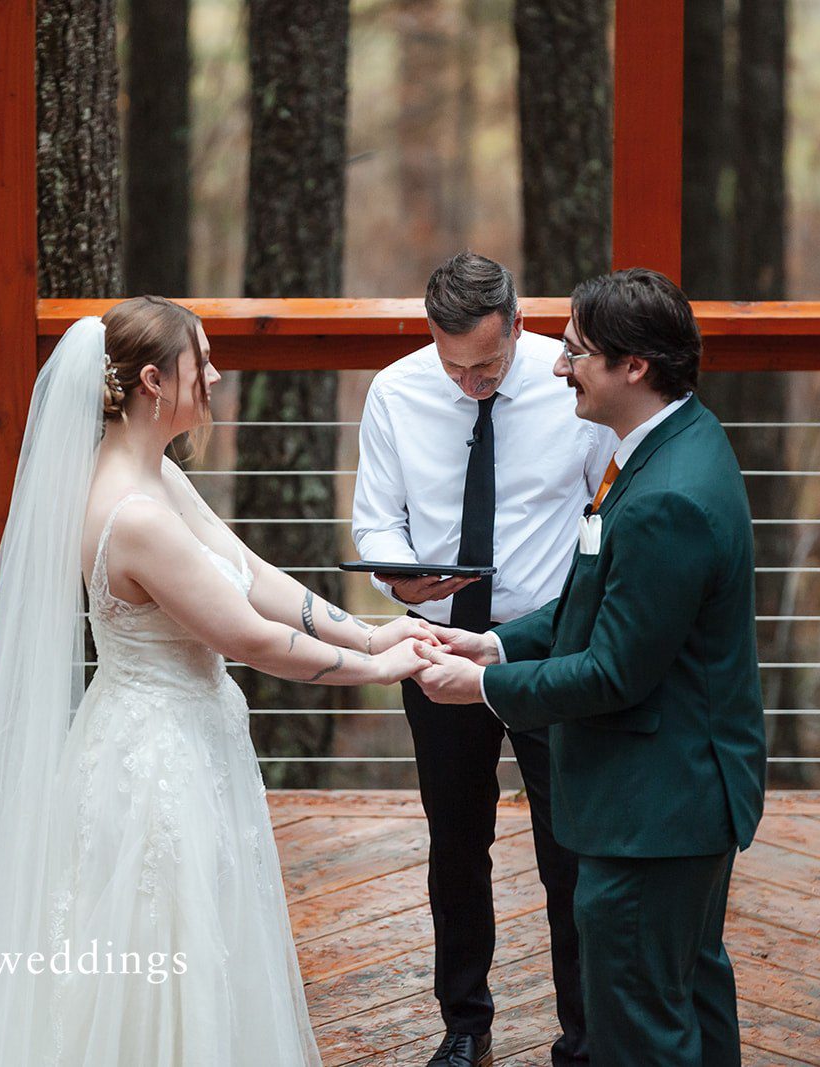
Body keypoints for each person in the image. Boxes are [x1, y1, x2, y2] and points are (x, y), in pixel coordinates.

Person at [0, 297, 434, 1065]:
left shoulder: (154, 475)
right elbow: (245, 634)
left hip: (192, 736)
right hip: (154, 762)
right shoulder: (134, 515)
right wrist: (376, 668)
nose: (217, 373)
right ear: (154, 380)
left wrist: (369, 629)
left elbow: (252, 576)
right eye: (203, 361)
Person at [414, 268, 766, 1066]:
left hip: (656, 810)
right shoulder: (665, 444)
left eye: (575, 351)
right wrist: (497, 644)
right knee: (688, 993)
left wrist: (485, 687)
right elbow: (593, 598)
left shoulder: (667, 495)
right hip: (677, 799)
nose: (558, 365)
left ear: (632, 366)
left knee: (641, 1027)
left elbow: (613, 671)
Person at [353, 252, 614, 1067]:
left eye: (488, 364)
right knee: (456, 842)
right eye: (453, 363)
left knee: (567, 848)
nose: (471, 382)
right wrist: (401, 574)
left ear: (519, 327)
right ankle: (465, 1023)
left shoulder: (574, 387)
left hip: (545, 648)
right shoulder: (395, 392)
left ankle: (582, 1033)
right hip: (436, 647)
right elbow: (374, 521)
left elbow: (603, 512)